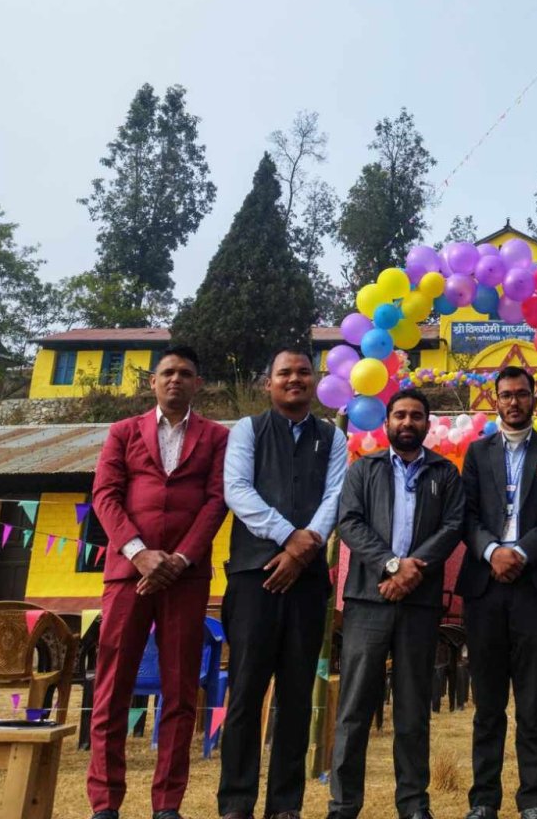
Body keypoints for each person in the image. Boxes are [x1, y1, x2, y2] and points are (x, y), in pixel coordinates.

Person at [87, 345, 229, 819]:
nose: (175, 379)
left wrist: (180, 559)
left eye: (185, 373)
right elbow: (105, 495)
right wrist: (139, 554)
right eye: (167, 372)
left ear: (197, 384)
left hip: (186, 579)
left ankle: (167, 804)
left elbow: (216, 501)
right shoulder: (123, 432)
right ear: (152, 381)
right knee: (112, 687)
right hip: (128, 575)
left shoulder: (216, 437)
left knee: (181, 690)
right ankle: (104, 803)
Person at [217, 347, 349, 819]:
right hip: (253, 579)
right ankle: (236, 802)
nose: (295, 379)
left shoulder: (332, 437)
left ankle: (285, 806)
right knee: (245, 693)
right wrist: (288, 537)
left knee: (296, 696)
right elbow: (237, 490)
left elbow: (336, 496)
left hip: (307, 582)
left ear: (315, 380)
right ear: (268, 383)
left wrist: (302, 549)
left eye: (303, 372)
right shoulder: (247, 430)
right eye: (285, 373)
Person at [329, 388, 465, 819]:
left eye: (416, 416)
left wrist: (412, 571)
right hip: (368, 601)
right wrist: (391, 566)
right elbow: (349, 522)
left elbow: (453, 526)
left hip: (419, 603)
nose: (408, 422)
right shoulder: (363, 469)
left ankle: (413, 804)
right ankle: (343, 805)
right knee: (354, 707)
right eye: (400, 415)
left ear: (428, 423)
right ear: (386, 422)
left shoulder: (445, 473)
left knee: (413, 707)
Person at [456, 365, 537, 819]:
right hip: (485, 585)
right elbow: (465, 514)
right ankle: (484, 800)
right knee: (487, 704)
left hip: (533, 585)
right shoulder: (476, 452)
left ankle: (534, 801)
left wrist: (519, 553)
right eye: (505, 395)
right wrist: (492, 552)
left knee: (530, 702)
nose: (513, 401)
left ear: (534, 398)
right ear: (496, 400)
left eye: (521, 394)